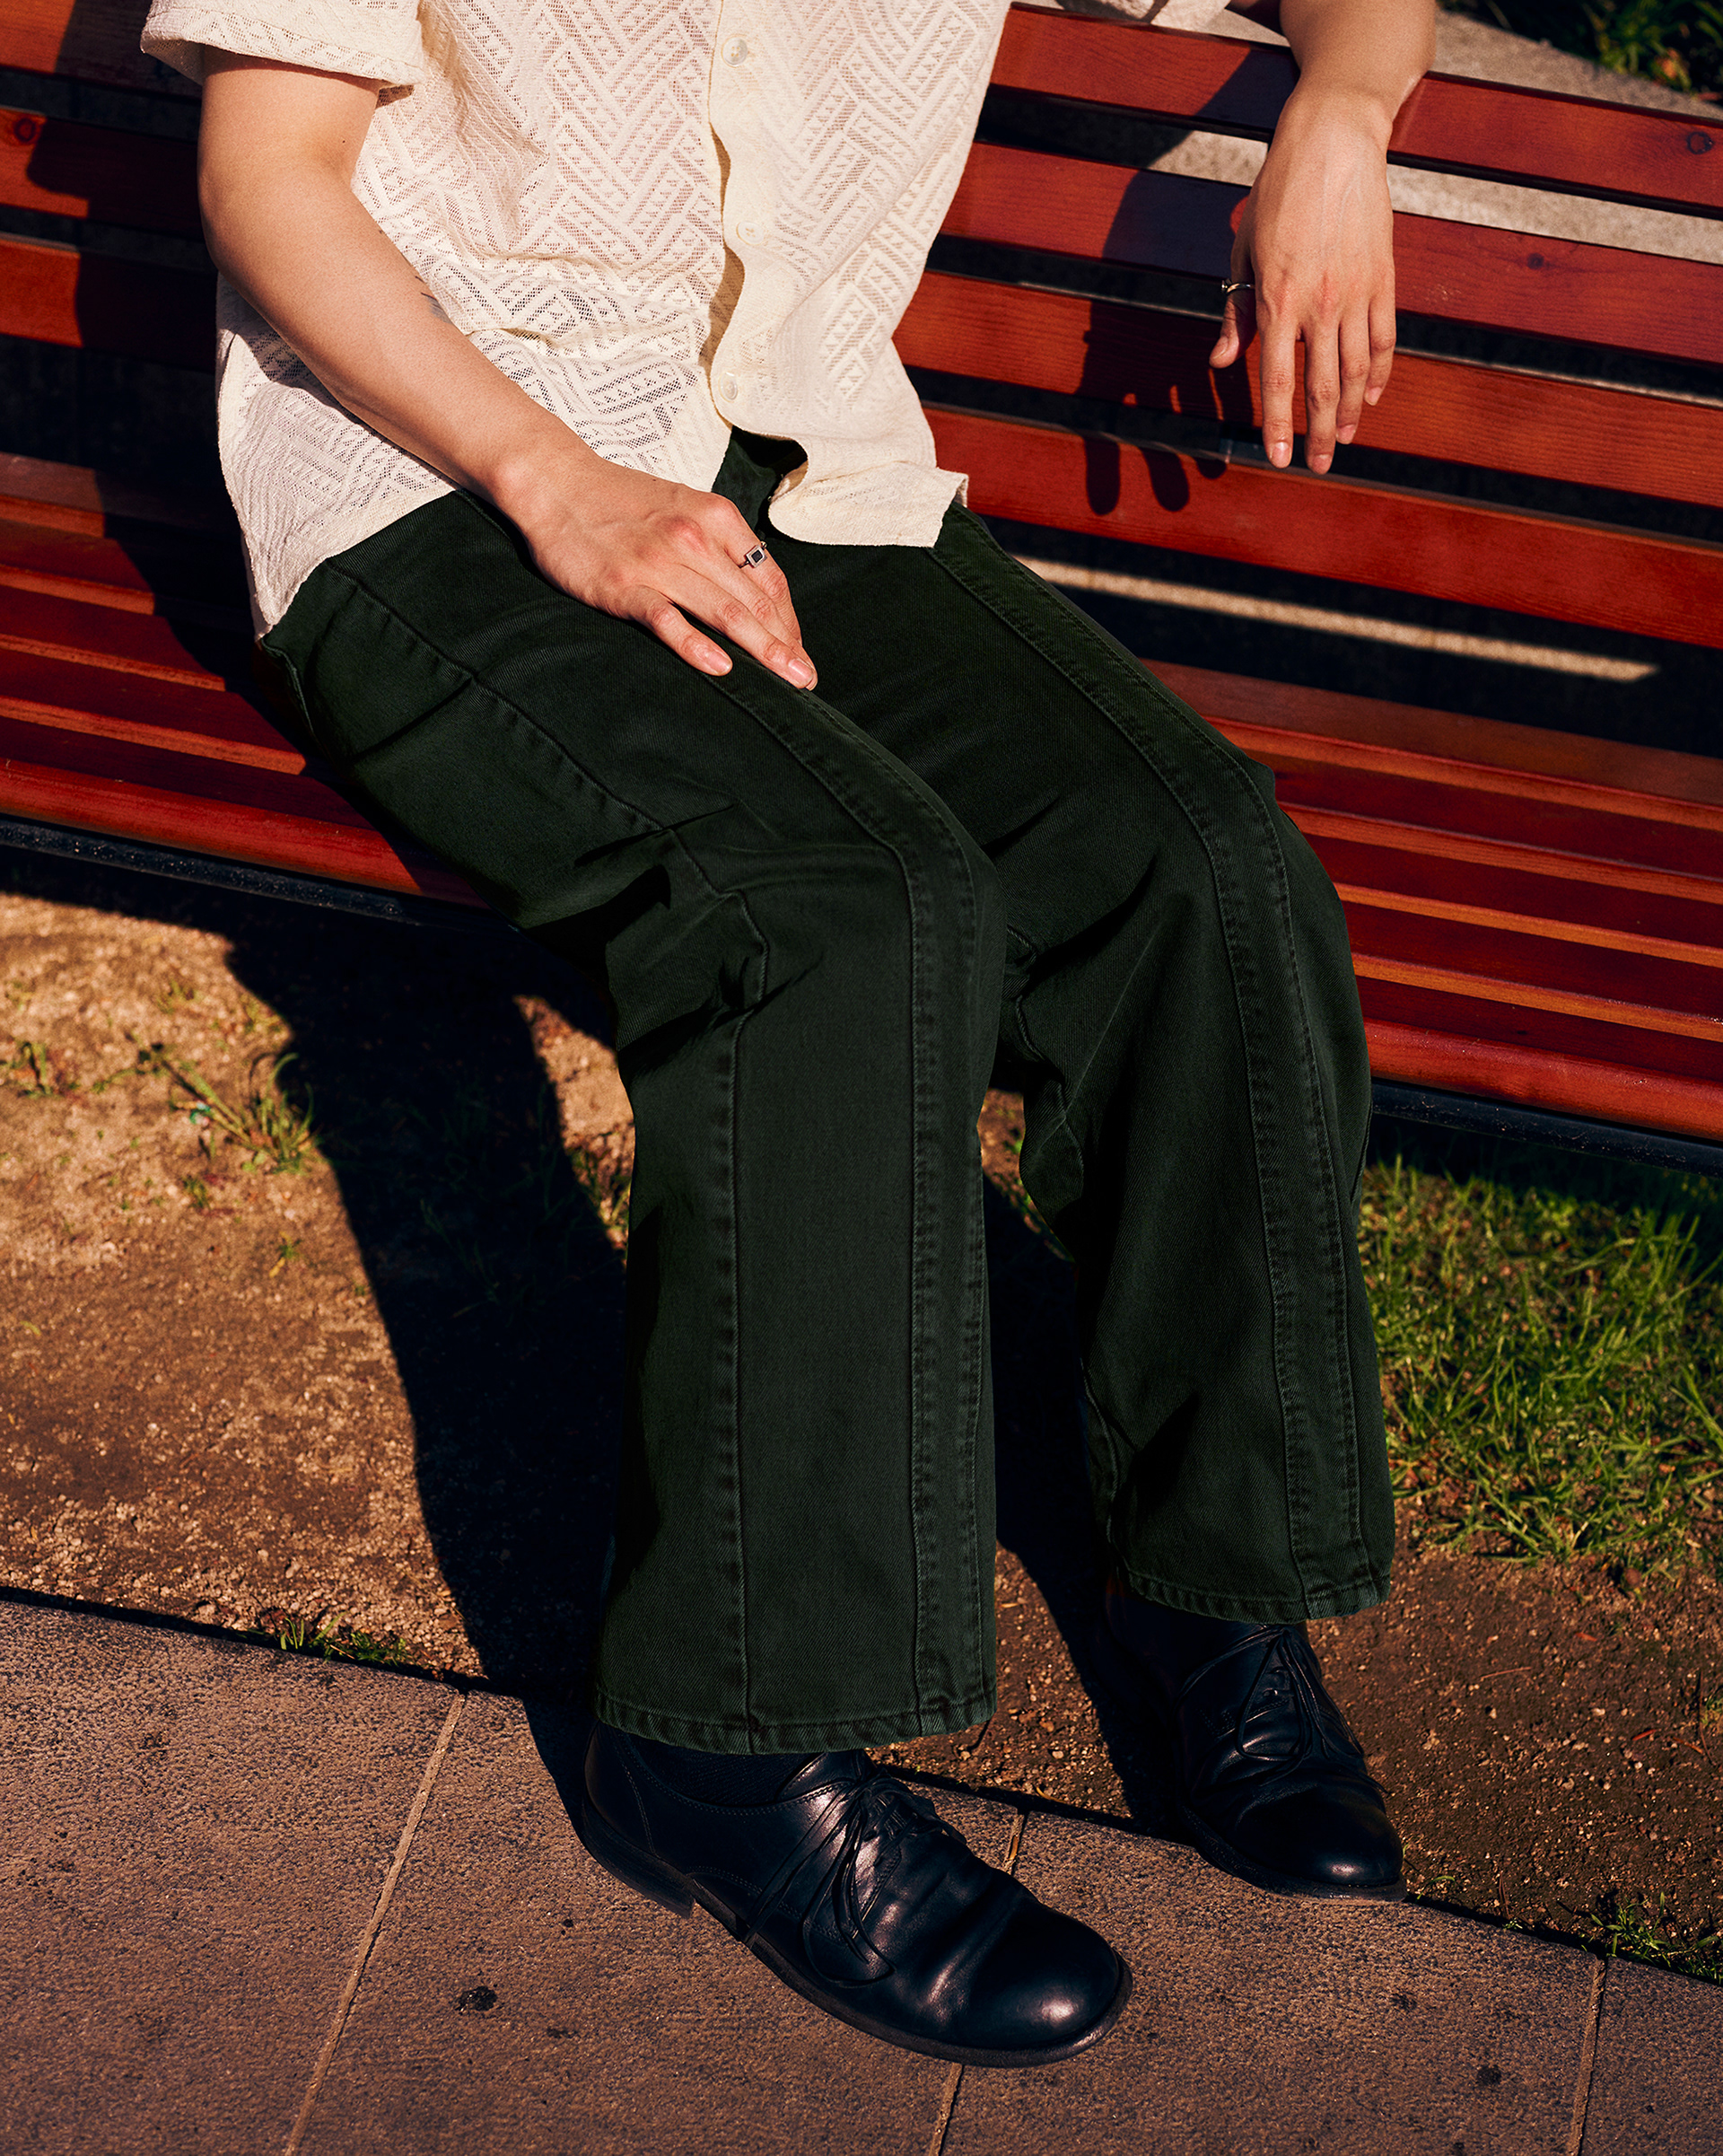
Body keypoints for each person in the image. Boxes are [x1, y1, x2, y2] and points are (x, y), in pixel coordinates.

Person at [152, 0, 1436, 2066]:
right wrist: (558, 480)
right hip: (424, 482)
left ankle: (1211, 1578)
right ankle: (725, 1744)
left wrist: (1345, 117)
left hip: (791, 463)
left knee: (1200, 864)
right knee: (840, 914)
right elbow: (265, 177)